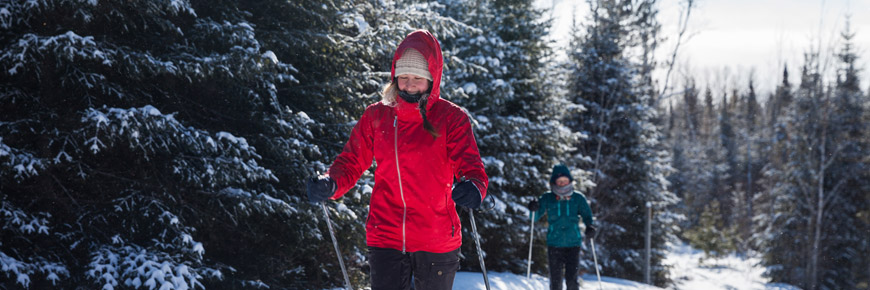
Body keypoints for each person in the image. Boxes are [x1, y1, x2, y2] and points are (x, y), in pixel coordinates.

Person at [306, 29, 488, 290]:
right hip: (386, 235)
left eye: (418, 78)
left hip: (436, 238)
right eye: (403, 77)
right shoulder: (377, 116)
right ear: (394, 77)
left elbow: (472, 167)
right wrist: (331, 183)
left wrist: (474, 188)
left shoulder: (451, 118)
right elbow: (352, 160)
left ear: (432, 78)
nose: (409, 85)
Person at [528, 164, 595, 290]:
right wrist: (533, 209)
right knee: (555, 281)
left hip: (573, 244)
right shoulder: (548, 197)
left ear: (569, 180)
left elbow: (587, 214)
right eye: (559, 181)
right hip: (554, 243)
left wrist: (590, 226)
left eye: (565, 180)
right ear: (554, 182)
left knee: (571, 280)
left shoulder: (577, 198)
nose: (563, 183)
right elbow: (534, 218)